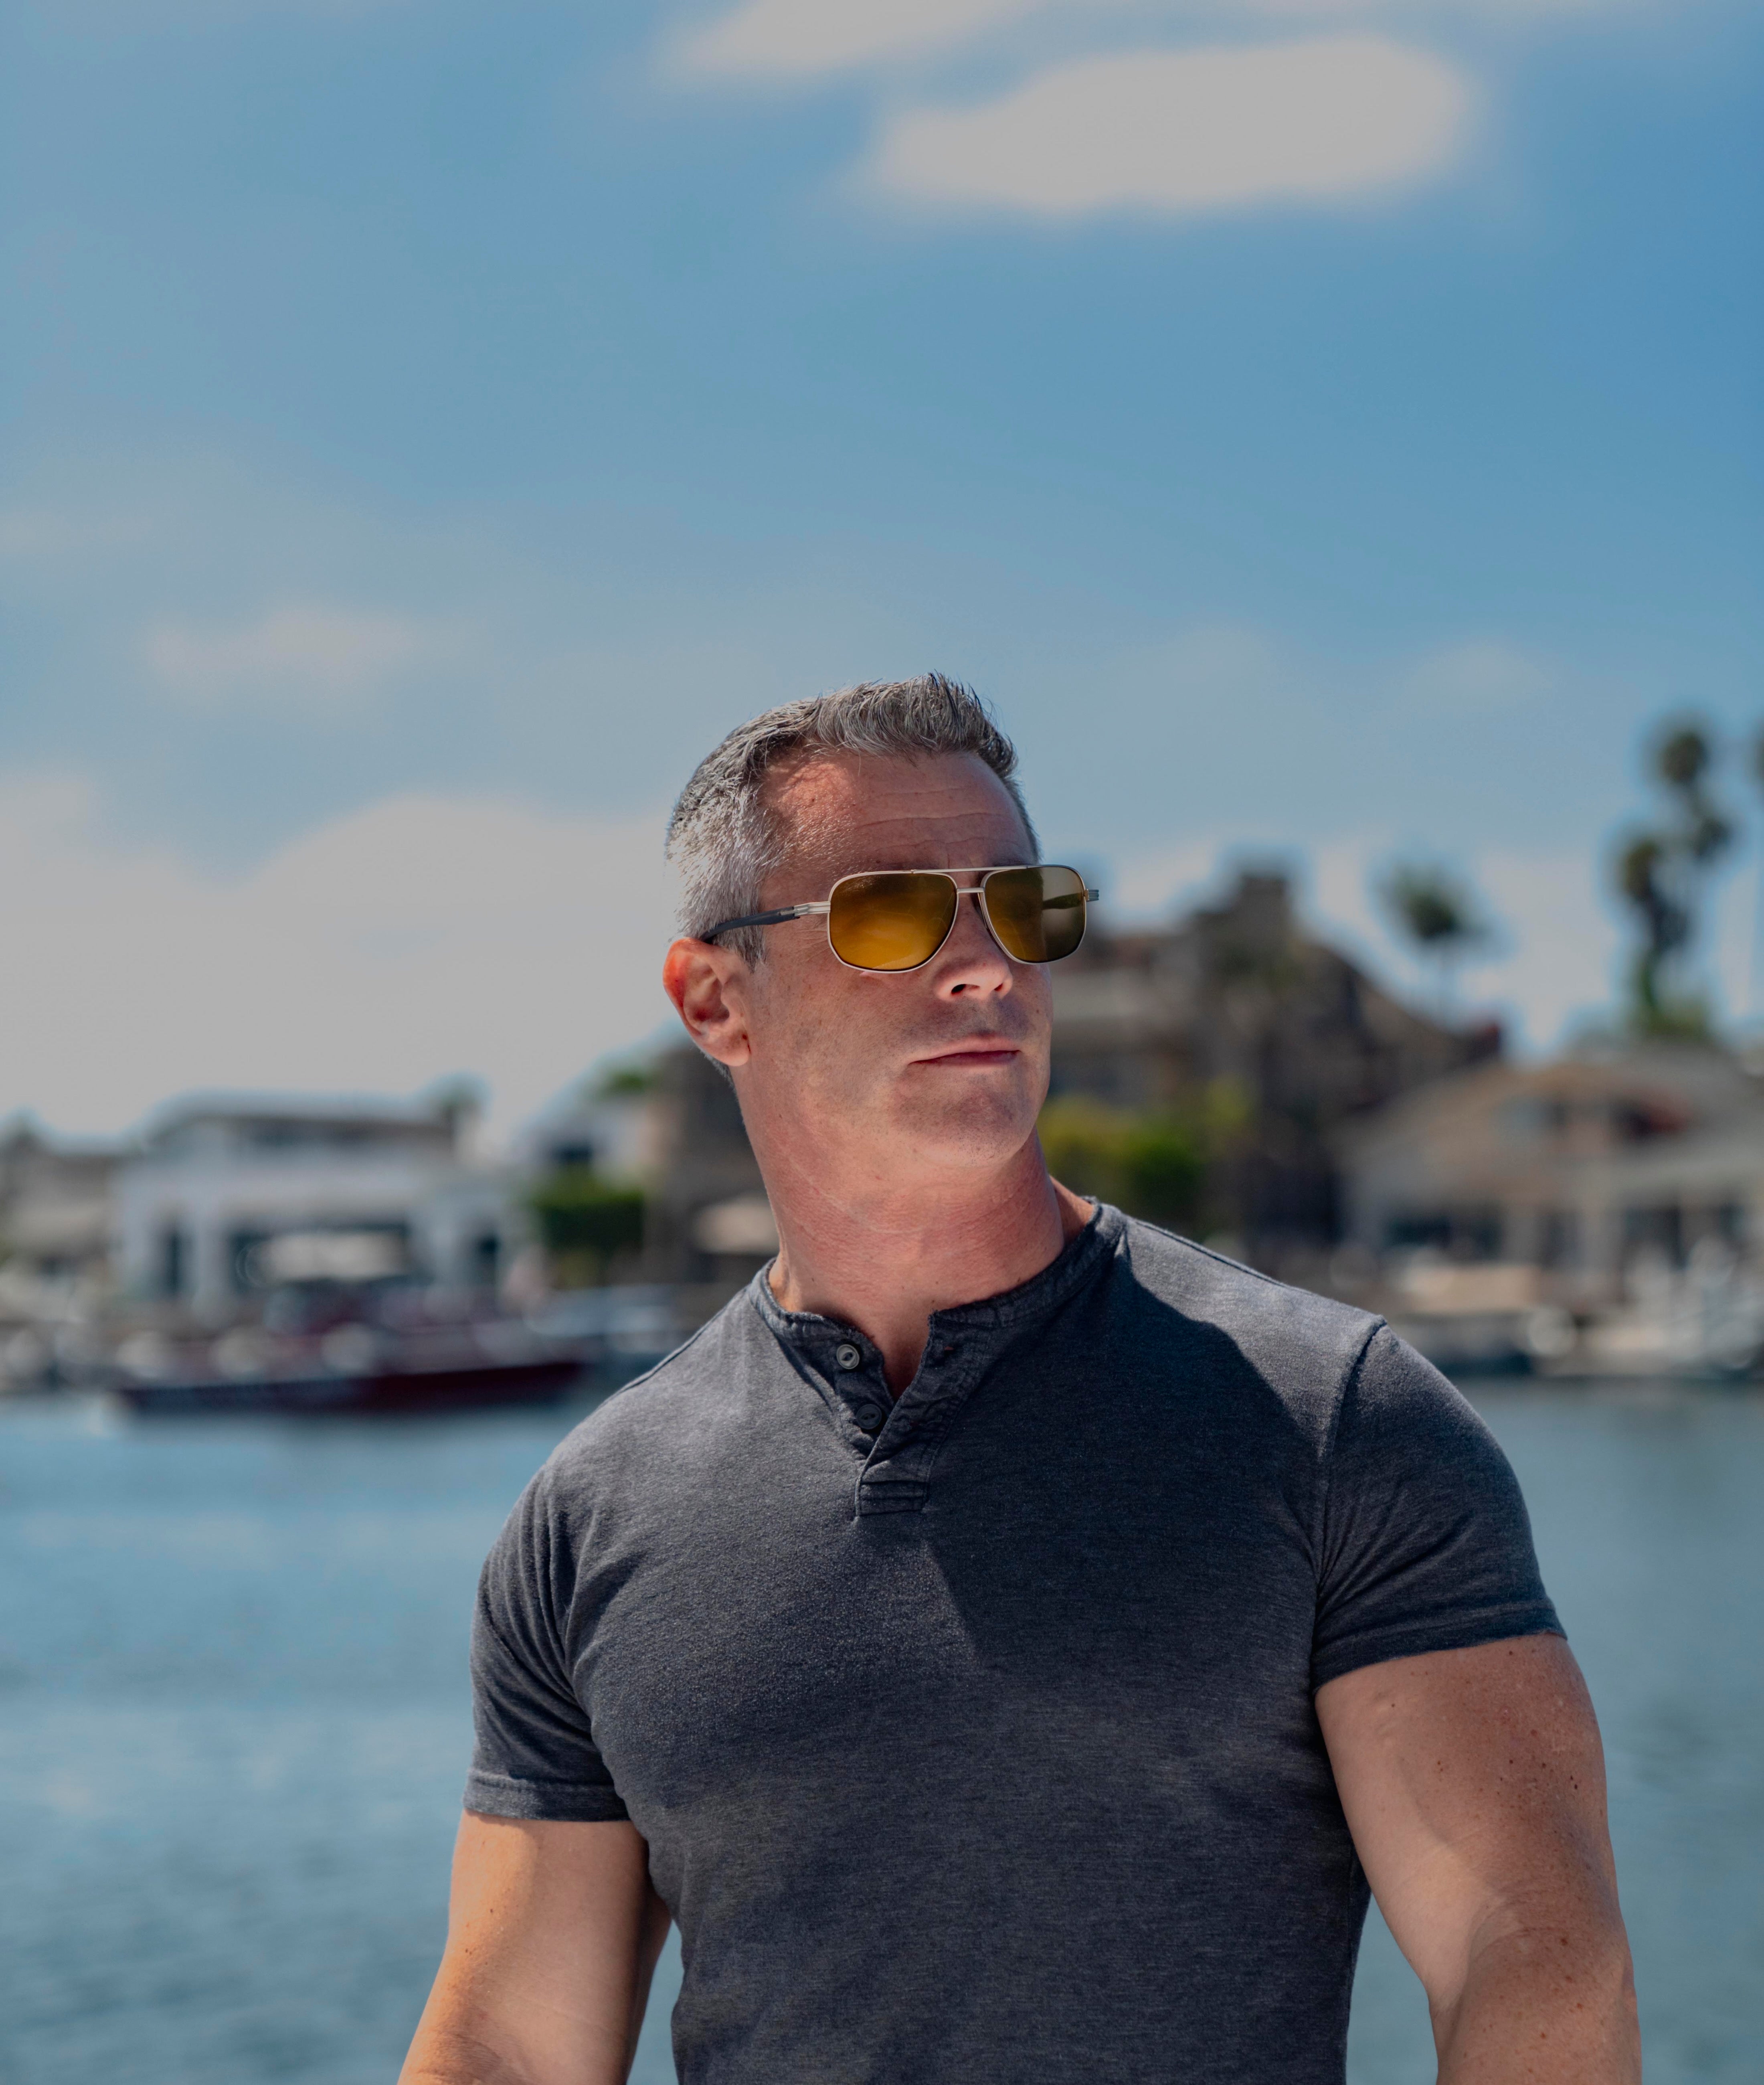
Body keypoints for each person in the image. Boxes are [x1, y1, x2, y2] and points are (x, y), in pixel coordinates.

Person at [400, 676, 1638, 2085]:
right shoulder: (588, 1524)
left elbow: (1532, 1956)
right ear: (713, 1000)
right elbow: (507, 2045)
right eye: (891, 914)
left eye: (1024, 907)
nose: (985, 961)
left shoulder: (1340, 1425)